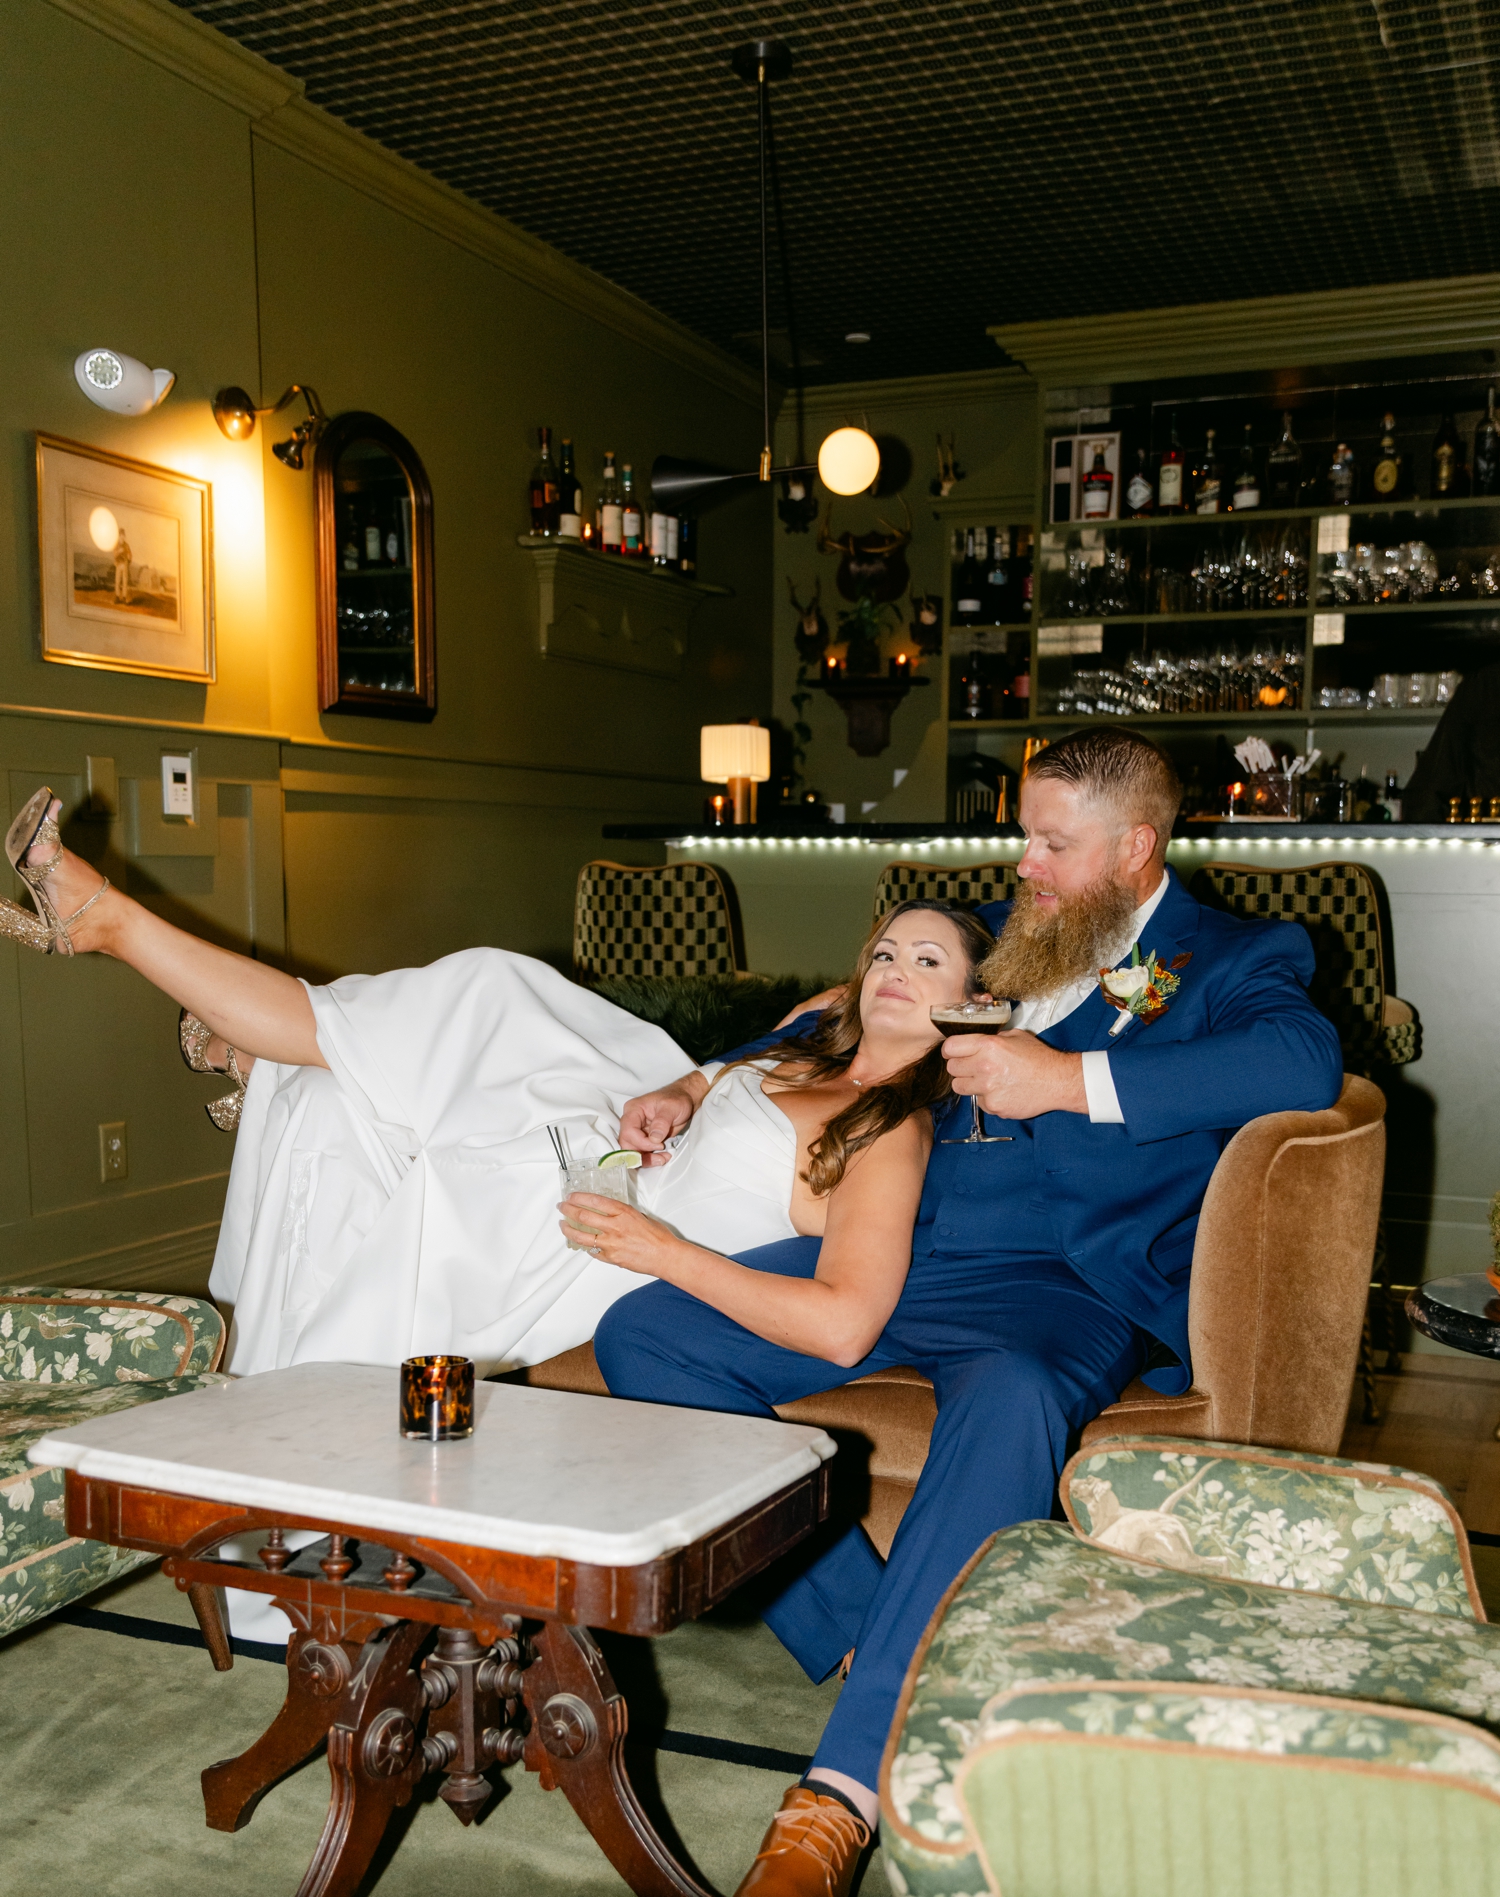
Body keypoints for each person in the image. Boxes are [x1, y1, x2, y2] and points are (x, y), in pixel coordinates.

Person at [593, 725, 1345, 1897]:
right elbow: (848, 1003)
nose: (1025, 864)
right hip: (912, 1243)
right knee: (647, 1334)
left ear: (1137, 846)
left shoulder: (1236, 953)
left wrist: (1069, 1080)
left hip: (1063, 1278)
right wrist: (695, 1079)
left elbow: (1303, 1063)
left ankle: (836, 1801)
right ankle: (870, 1634)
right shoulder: (1021, 937)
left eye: (1053, 842)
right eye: (1023, 836)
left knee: (1013, 1392)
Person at [0, 789, 991, 1378]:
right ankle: (167, 963)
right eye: (887, 952)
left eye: (930, 965)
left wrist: (664, 1251)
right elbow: (751, 1043)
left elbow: (845, 1322)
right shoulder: (815, 1039)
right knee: (470, 997)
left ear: (970, 1006)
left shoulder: (888, 1131)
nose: (898, 970)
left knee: (393, 1121)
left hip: (606, 1239)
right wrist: (687, 1091)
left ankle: (140, 947)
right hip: (615, 1141)